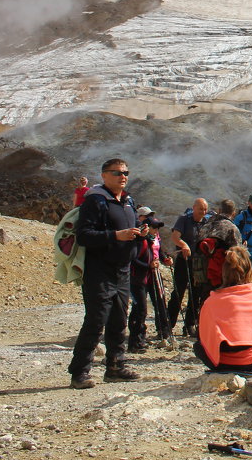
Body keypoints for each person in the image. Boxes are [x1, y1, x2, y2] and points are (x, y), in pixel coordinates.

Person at [67, 158, 142, 389]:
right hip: (99, 270)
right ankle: (79, 371)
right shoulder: (96, 201)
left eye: (126, 172)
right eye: (117, 172)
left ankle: (116, 366)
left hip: (122, 270)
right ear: (104, 175)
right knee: (96, 320)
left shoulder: (128, 201)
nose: (123, 176)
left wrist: (141, 233)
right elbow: (85, 235)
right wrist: (116, 236)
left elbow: (131, 230)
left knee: (119, 320)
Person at [192, 199, 243, 322]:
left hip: (202, 273)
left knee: (205, 304)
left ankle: (202, 336)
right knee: (222, 307)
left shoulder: (207, 225)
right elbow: (236, 254)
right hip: (221, 276)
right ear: (234, 212)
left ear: (219, 210)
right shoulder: (231, 228)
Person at [168, 197, 210, 337]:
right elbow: (175, 237)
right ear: (194, 208)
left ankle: (189, 325)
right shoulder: (184, 219)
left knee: (196, 293)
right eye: (200, 209)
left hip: (199, 263)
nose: (203, 212)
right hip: (183, 261)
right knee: (178, 292)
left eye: (205, 209)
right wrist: (184, 245)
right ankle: (168, 324)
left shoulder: (207, 222)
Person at [128, 217, 169, 352]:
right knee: (140, 309)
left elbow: (159, 252)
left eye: (158, 228)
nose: (157, 230)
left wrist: (165, 260)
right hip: (139, 278)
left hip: (153, 276)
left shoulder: (155, 239)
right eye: (154, 227)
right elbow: (133, 259)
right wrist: (148, 265)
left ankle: (163, 331)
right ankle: (135, 341)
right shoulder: (140, 240)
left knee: (160, 302)